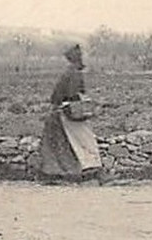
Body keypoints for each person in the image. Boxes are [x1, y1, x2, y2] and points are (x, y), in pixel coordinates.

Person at [38, 43, 103, 182]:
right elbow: (73, 94)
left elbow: (56, 96)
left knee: (71, 141)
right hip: (70, 111)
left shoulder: (69, 72)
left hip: (63, 109)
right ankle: (91, 169)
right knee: (85, 140)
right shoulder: (74, 74)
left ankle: (66, 171)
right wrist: (82, 100)